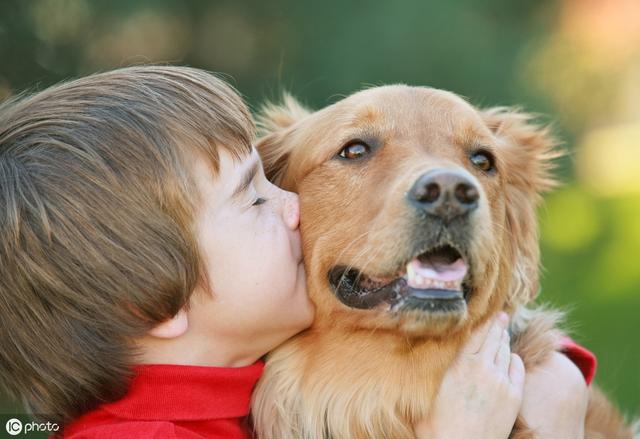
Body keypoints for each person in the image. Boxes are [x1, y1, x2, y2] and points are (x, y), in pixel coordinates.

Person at [0, 66, 592, 438]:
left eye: (479, 164)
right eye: (255, 199)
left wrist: (555, 371)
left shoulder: (234, 379)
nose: (291, 207)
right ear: (155, 302)